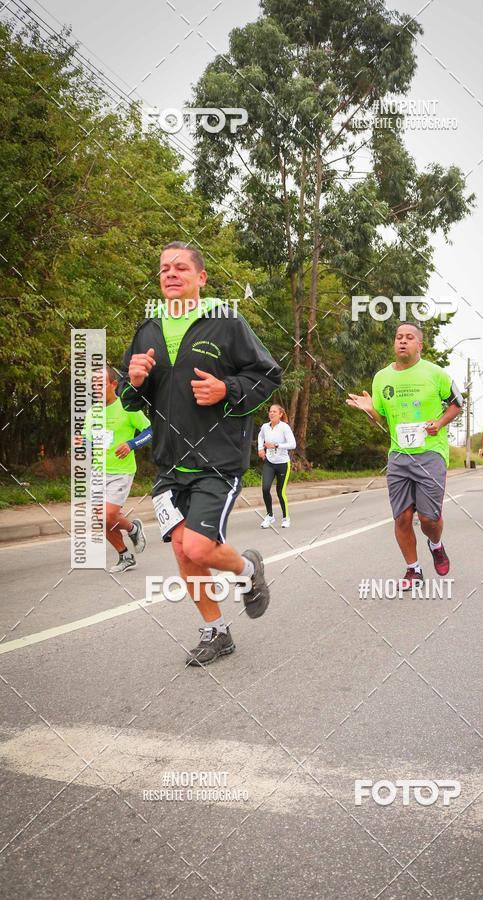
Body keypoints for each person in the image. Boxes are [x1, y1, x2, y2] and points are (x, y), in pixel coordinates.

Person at [118, 242, 282, 666]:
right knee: (180, 551)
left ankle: (248, 571)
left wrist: (227, 389)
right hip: (169, 462)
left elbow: (266, 375)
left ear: (201, 278)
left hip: (216, 460)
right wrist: (133, 382)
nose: (170, 274)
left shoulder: (226, 322)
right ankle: (216, 632)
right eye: (164, 269)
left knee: (199, 548)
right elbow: (129, 398)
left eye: (180, 268)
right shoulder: (147, 329)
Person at [347, 322, 463, 588]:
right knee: (402, 517)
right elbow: (381, 418)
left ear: (419, 345)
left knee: (428, 519)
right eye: (399, 337)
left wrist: (440, 423)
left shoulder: (436, 374)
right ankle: (414, 570)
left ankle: (436, 544)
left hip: (431, 453)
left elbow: (458, 403)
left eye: (409, 337)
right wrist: (369, 410)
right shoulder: (381, 378)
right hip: (398, 455)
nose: (402, 341)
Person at [83, 366, 151, 573]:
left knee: (108, 515)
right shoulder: (92, 412)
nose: (96, 388)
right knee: (101, 520)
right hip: (97, 472)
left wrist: (132, 444)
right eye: (93, 384)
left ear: (113, 384)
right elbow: (87, 439)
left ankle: (133, 528)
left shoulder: (128, 407)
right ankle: (125, 556)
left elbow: (151, 430)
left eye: (101, 383)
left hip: (121, 471)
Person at [258, 404, 296, 528]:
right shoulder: (265, 427)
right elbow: (260, 436)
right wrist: (260, 449)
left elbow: (293, 444)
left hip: (283, 463)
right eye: (270, 411)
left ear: (280, 414)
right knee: (265, 488)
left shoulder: (284, 427)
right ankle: (270, 516)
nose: (271, 413)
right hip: (269, 462)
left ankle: (286, 518)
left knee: (280, 492)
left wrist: (276, 445)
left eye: (274, 411)